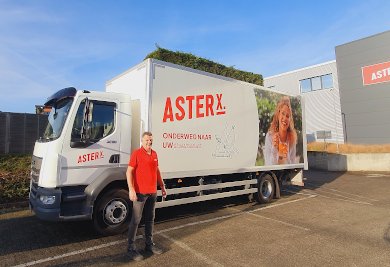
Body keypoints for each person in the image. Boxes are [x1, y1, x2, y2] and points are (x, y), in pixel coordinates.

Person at [126, 131, 167, 261]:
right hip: (140, 193)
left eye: (150, 140)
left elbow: (157, 170)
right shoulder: (136, 153)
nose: (149, 142)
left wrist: (162, 186)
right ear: (142, 141)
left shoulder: (154, 153)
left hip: (152, 192)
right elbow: (129, 172)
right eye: (146, 140)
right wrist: (131, 189)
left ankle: (149, 245)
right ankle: (130, 248)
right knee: (136, 220)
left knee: (150, 219)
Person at [264, 96, 298, 165]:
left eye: (288, 116)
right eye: (283, 113)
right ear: (278, 114)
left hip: (285, 174)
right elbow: (269, 165)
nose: (285, 118)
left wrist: (286, 155)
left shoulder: (292, 139)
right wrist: (274, 148)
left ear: (290, 120)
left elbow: (292, 165)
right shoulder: (270, 136)